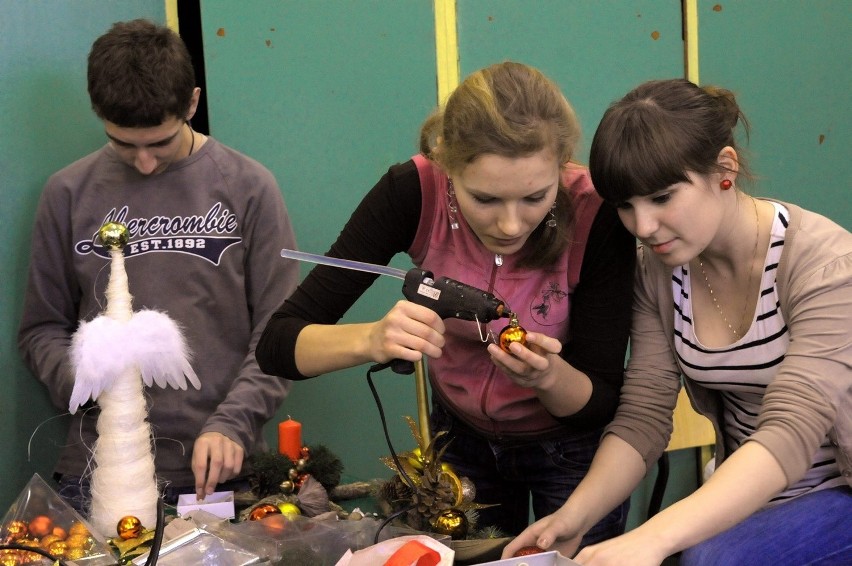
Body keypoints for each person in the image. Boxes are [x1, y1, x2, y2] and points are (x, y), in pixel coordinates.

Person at [256, 61, 636, 542]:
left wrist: (549, 378)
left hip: (573, 452)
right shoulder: (412, 192)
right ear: (447, 165)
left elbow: (601, 402)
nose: (512, 225)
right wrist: (373, 339)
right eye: (486, 199)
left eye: (536, 197)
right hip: (459, 446)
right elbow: (277, 345)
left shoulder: (595, 212)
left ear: (562, 165)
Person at [503, 78, 852, 565]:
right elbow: (644, 416)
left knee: (709, 559)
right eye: (626, 205)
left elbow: (793, 427)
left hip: (840, 492)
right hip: (754, 493)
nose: (642, 227)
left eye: (662, 197)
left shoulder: (827, 266)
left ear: (724, 169)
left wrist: (653, 538)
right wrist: (572, 519)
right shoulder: (661, 271)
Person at [17, 19, 299, 510]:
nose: (144, 163)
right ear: (99, 114)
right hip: (97, 469)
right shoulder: (67, 193)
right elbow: (40, 329)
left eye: (160, 143)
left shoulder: (248, 187)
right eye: (125, 144)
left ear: (191, 103)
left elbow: (282, 332)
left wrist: (235, 421)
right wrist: (84, 381)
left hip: (216, 472)